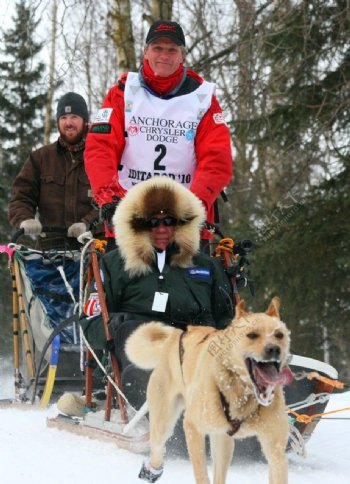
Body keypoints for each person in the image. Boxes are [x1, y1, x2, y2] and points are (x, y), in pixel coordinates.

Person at [80, 176, 234, 407]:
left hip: (196, 348)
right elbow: (90, 322)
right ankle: (163, 400)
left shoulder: (206, 265)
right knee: (134, 331)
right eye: (152, 222)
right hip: (139, 349)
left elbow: (228, 319)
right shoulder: (114, 264)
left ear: (182, 223)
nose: (161, 229)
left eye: (169, 221)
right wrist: (113, 325)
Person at [84, 20, 233, 243]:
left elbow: (217, 159)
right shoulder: (121, 94)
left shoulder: (204, 99)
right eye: (157, 48)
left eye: (172, 50)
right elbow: (99, 148)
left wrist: (194, 205)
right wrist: (108, 198)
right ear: (146, 52)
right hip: (129, 219)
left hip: (185, 225)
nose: (164, 55)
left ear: (182, 56)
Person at [8, 92, 103, 250]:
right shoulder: (41, 158)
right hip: (50, 253)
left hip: (92, 249)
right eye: (63, 118)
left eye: (74, 117)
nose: (68, 123)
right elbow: (21, 196)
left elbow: (111, 202)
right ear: (58, 122)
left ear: (85, 121)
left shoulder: (100, 157)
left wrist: (87, 223)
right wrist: (25, 219)